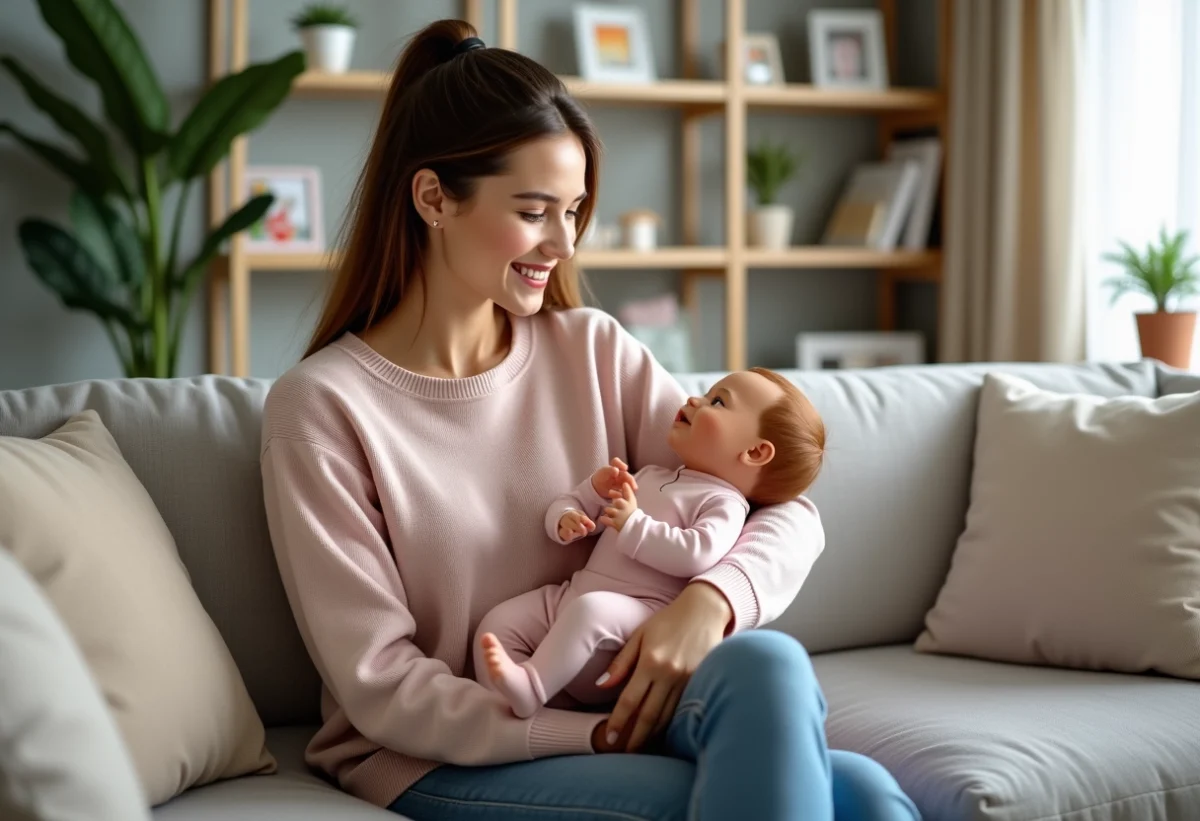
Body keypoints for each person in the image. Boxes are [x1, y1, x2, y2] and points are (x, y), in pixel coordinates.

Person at [259, 17, 921, 821]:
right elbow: (383, 685)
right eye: (535, 211)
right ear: (433, 197)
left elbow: (787, 511)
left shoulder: (592, 349)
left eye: (574, 211)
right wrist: (590, 732)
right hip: (437, 753)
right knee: (857, 804)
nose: (564, 243)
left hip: (613, 700)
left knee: (791, 694)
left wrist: (707, 603)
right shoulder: (323, 408)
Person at [475, 368, 827, 720]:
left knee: (591, 611)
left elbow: (697, 552)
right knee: (500, 621)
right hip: (570, 598)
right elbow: (588, 511)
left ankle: (532, 685)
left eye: (718, 402)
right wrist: (570, 515)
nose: (693, 399)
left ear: (755, 452)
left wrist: (633, 525)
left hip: (634, 621)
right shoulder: (650, 475)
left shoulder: (724, 503)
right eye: (707, 393)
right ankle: (513, 709)